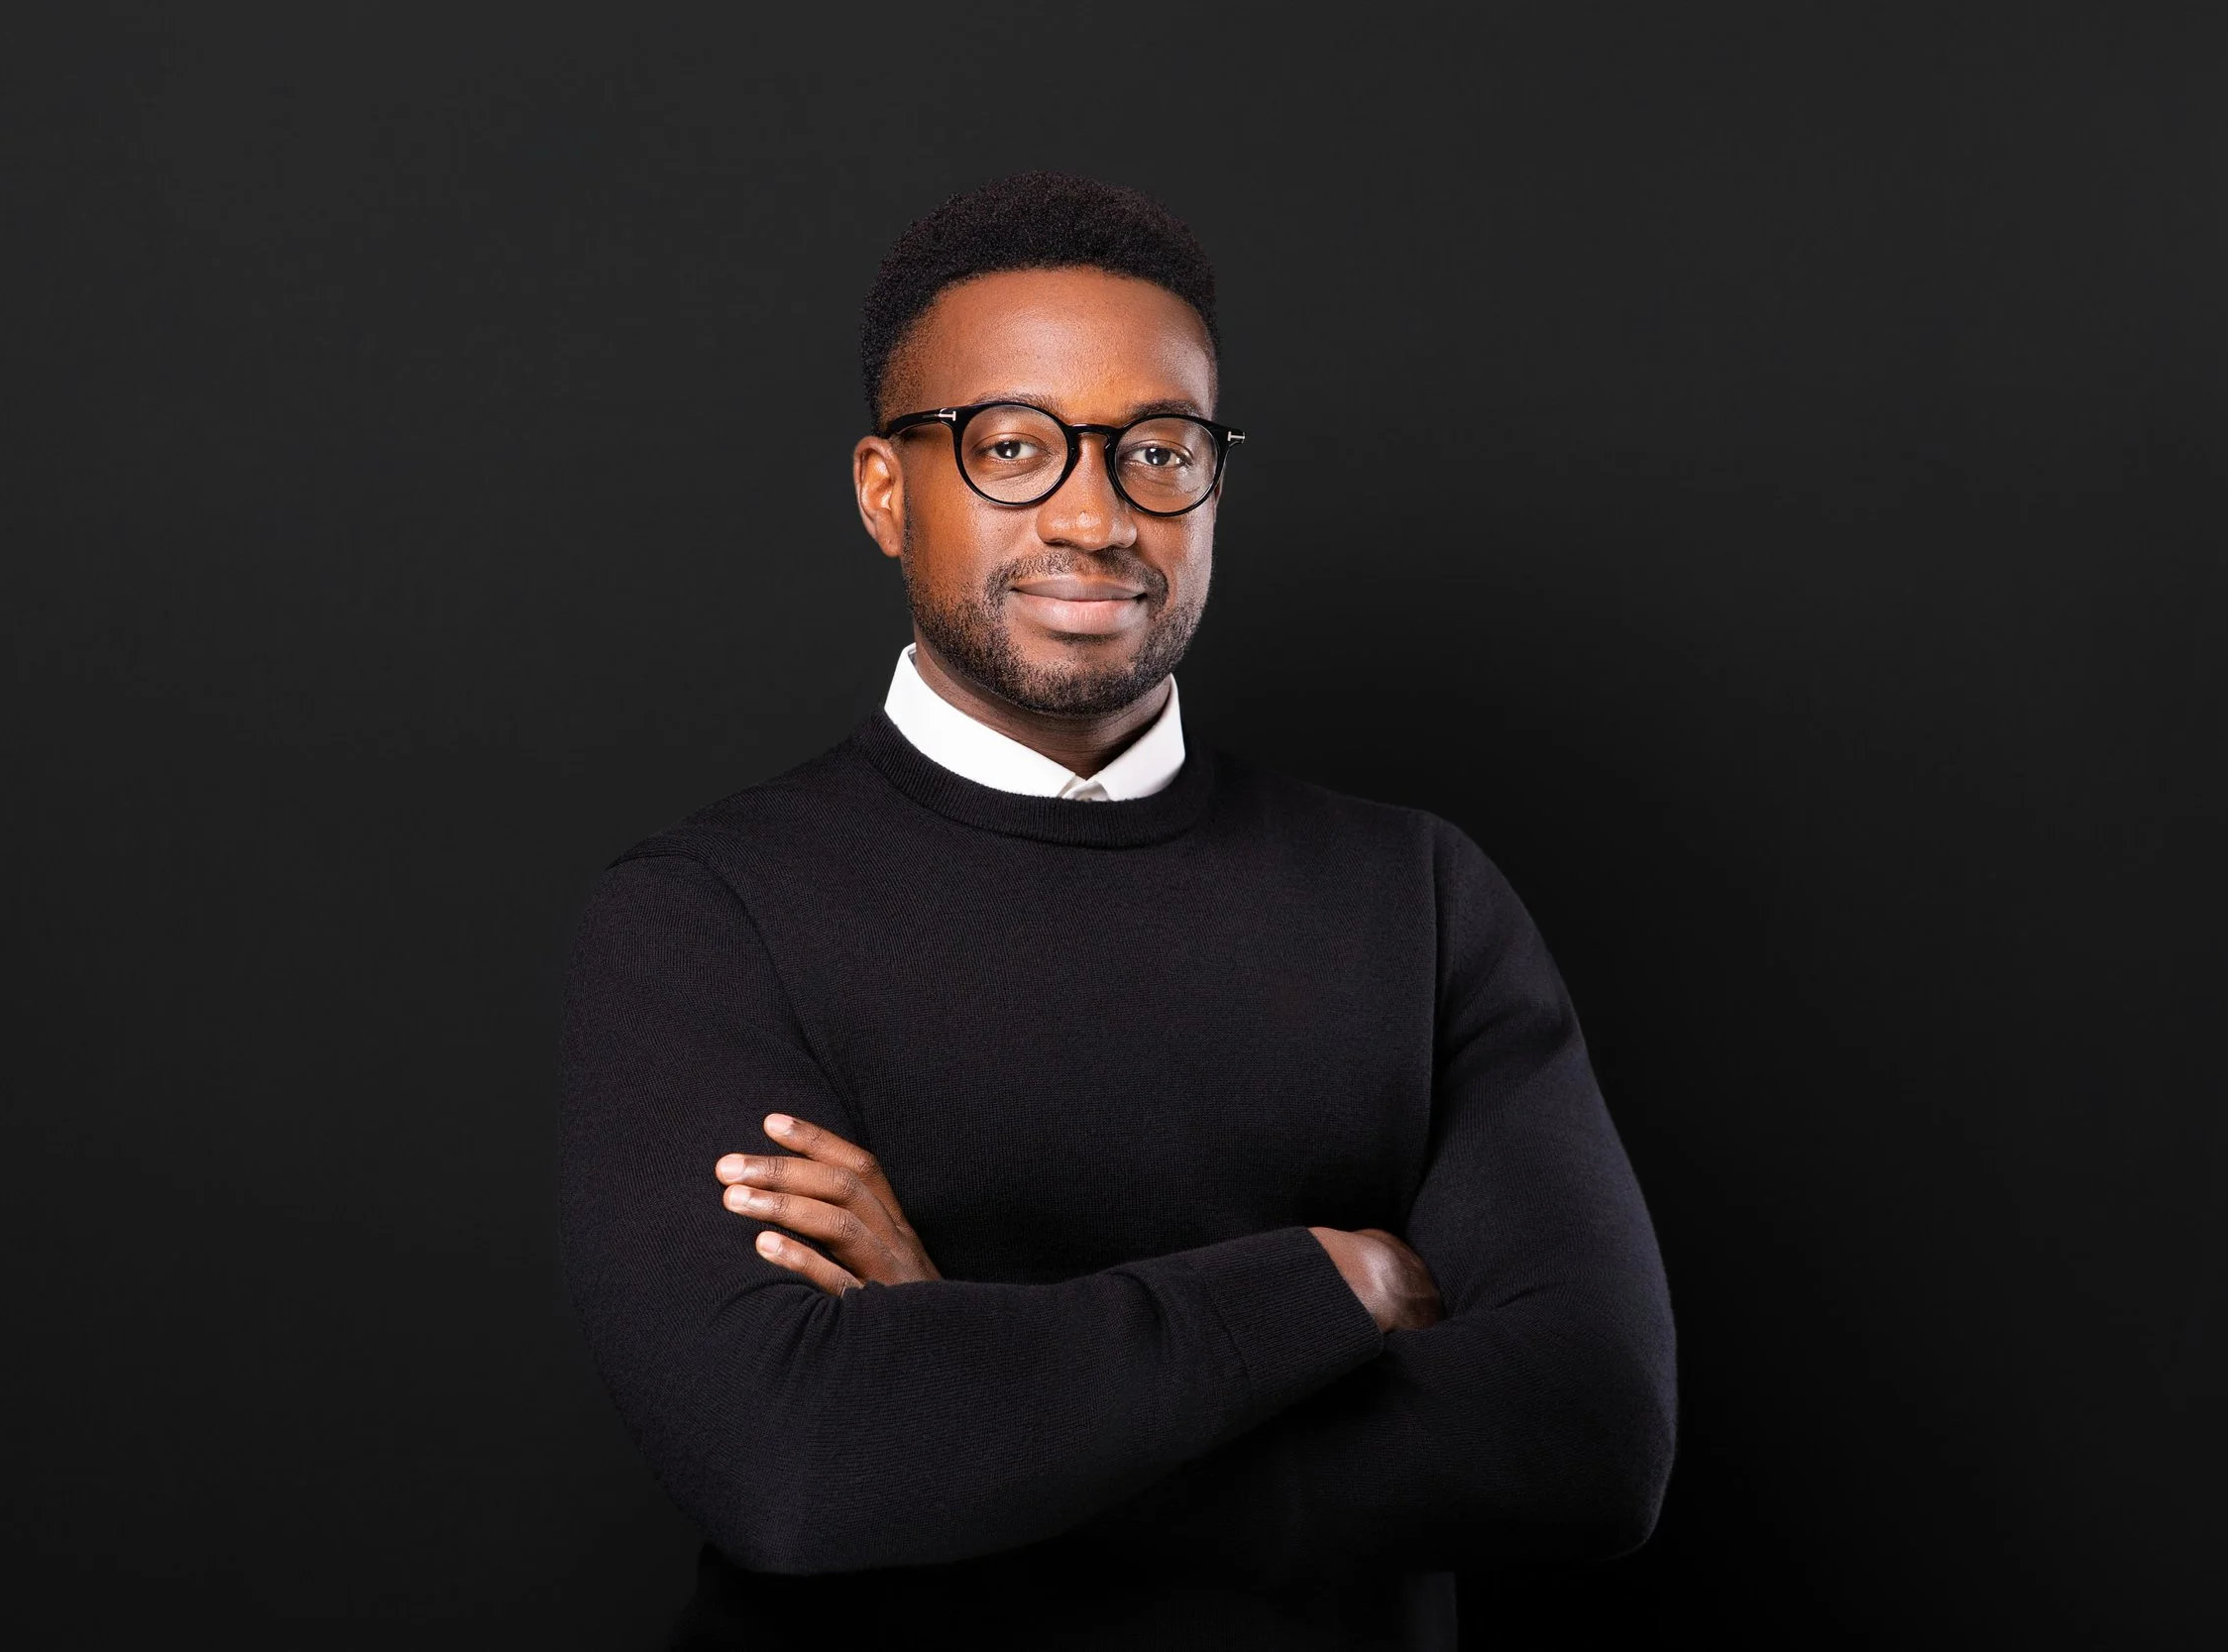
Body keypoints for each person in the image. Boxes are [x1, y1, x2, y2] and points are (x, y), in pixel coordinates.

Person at [556, 171, 1676, 1651]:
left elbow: (1589, 1439)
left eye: (1157, 449)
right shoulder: (705, 919)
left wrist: (958, 1359)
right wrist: (1328, 1285)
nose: (1093, 513)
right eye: (1011, 445)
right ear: (887, 492)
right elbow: (800, 1463)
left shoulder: (1415, 895)